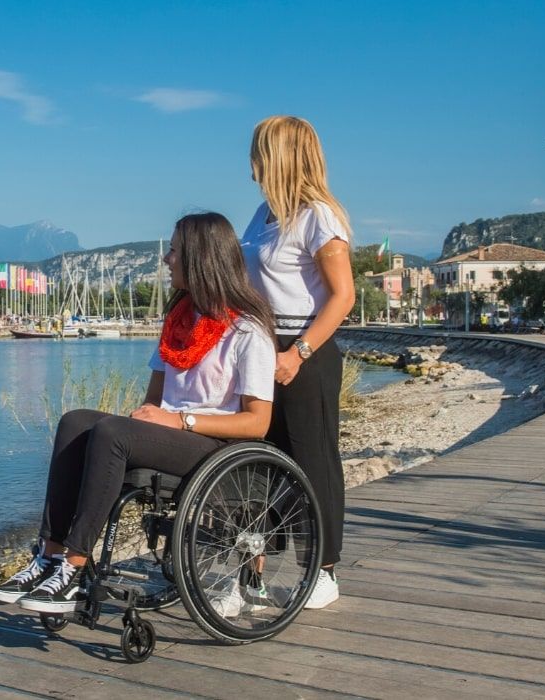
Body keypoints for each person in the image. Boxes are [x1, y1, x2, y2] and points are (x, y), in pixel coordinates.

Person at [0, 212, 277, 617]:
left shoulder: (247, 332)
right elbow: (153, 402)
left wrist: (180, 421)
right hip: (173, 435)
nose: (166, 259)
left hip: (215, 444)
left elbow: (257, 422)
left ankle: (74, 567)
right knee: (76, 422)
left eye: (174, 251)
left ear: (200, 258)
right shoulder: (179, 324)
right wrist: (152, 421)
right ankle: (49, 555)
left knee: (113, 433)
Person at [241, 116, 357, 610]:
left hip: (304, 351)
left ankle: (323, 572)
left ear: (280, 156)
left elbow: (343, 296)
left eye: (258, 151)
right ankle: (250, 580)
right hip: (260, 348)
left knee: (312, 463)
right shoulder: (262, 215)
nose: (251, 161)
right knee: (253, 463)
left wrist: (298, 353)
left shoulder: (318, 217)